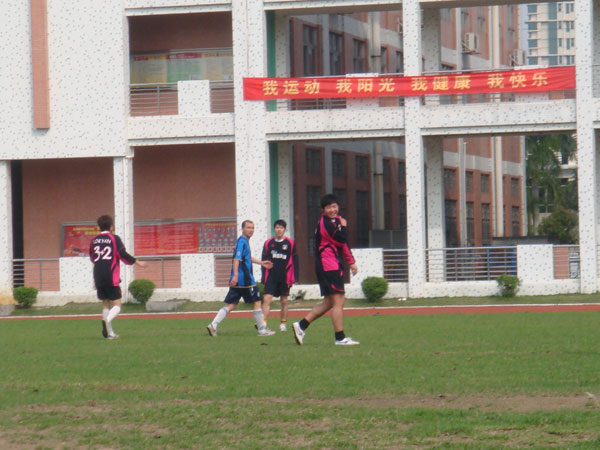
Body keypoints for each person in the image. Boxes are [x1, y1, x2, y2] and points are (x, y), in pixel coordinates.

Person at [293, 194, 359, 346]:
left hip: (330, 265)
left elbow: (343, 244)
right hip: (328, 265)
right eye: (328, 207)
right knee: (338, 301)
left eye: (334, 206)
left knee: (329, 302)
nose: (332, 210)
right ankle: (340, 338)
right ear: (323, 210)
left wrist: (351, 262)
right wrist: (344, 226)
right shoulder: (326, 224)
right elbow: (341, 238)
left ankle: (301, 325)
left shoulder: (335, 221)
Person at [207, 220, 274, 337]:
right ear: (243, 229)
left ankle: (213, 325)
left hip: (239, 280)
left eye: (252, 228)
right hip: (245, 280)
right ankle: (262, 330)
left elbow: (247, 257)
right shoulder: (242, 242)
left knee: (232, 304)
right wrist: (236, 276)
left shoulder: (243, 242)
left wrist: (261, 263)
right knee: (257, 301)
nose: (251, 230)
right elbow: (236, 259)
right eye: (248, 227)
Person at [89, 215, 146, 339]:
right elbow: (122, 254)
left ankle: (110, 333)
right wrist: (137, 262)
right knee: (117, 305)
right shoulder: (114, 239)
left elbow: (92, 258)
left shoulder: (94, 240)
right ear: (111, 227)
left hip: (98, 275)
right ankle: (106, 320)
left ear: (99, 227)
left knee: (106, 303)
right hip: (110, 275)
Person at [261, 219, 299, 332]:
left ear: (284, 230)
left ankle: (283, 323)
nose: (279, 230)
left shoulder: (290, 243)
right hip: (271, 276)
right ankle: (263, 323)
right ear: (274, 229)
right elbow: (263, 261)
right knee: (267, 299)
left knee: (284, 301)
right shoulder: (268, 243)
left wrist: (296, 277)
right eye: (277, 227)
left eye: (281, 228)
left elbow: (295, 260)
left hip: (285, 276)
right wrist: (263, 276)